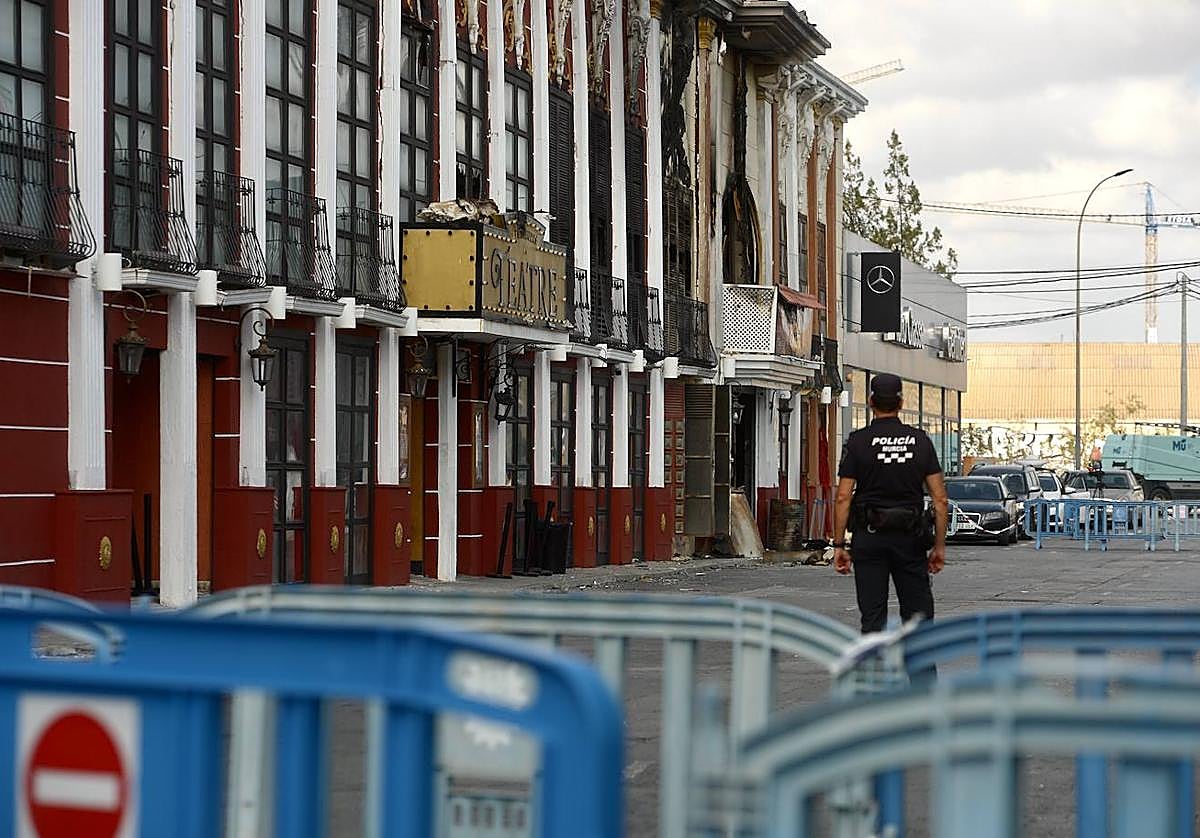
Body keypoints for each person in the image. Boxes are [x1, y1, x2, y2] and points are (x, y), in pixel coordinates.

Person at [832, 373, 949, 634]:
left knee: (872, 618)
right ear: (901, 403)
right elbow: (940, 499)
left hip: (869, 538)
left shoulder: (858, 441)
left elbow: (842, 496)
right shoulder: (920, 441)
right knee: (918, 618)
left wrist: (839, 544)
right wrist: (939, 546)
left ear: (872, 402)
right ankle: (921, 674)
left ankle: (873, 674)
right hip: (910, 539)